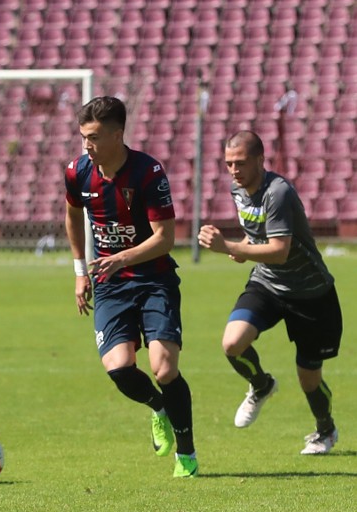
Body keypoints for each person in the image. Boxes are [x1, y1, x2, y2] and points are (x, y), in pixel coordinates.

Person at [64, 96, 197, 478]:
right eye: (83, 137)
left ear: (118, 134)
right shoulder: (77, 171)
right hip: (110, 284)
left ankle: (186, 453)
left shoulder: (148, 173)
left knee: (165, 368)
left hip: (154, 279)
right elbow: (72, 215)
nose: (86, 145)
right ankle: (159, 409)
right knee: (119, 367)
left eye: (93, 137)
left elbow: (165, 238)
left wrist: (121, 257)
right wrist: (78, 270)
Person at [198, 130, 341, 455]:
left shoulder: (278, 193)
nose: (234, 170)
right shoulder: (239, 190)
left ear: (260, 160)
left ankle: (325, 430)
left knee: (309, 378)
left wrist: (230, 247)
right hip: (268, 284)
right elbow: (257, 241)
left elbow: (279, 249)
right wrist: (240, 248)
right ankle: (262, 385)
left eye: (241, 163)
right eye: (229, 164)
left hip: (311, 293)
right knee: (232, 343)